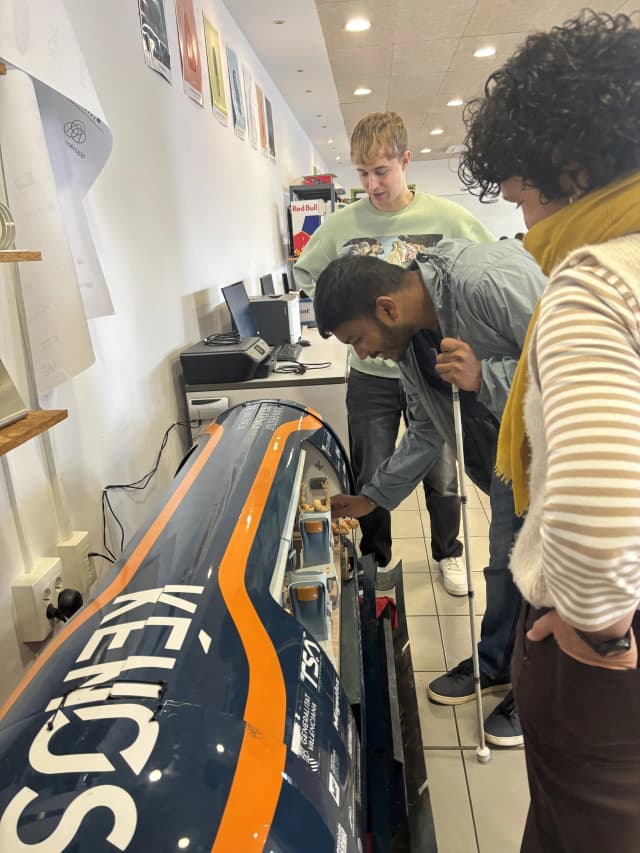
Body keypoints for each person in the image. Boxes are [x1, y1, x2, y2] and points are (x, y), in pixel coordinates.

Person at [459, 10, 640, 850]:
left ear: (572, 169)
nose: (526, 228)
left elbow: (598, 516)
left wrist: (593, 628)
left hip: (611, 654)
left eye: (526, 197)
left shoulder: (593, 282)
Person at [313, 237, 546, 745]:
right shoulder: (411, 340)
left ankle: (541, 698)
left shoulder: (486, 281)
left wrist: (487, 376)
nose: (364, 353)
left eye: (359, 338)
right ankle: (497, 664)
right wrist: (372, 497)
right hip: (513, 455)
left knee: (548, 579)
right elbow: (425, 430)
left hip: (571, 452)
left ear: (386, 307)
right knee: (506, 564)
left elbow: (586, 360)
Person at [294, 111, 494, 595]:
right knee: (373, 467)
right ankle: (374, 559)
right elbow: (305, 275)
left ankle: (449, 553)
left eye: (381, 171)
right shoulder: (342, 224)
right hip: (371, 373)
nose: (372, 184)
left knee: (442, 470)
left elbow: (484, 266)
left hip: (432, 368)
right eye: (362, 174)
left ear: (405, 161)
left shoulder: (448, 219)